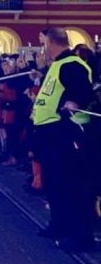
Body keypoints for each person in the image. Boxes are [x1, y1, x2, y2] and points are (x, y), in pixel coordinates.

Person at [32, 27, 96, 251]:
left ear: (50, 43)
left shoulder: (72, 64)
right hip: (49, 131)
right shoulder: (58, 65)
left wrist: (74, 102)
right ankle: (58, 225)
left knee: (71, 184)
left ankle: (79, 236)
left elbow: (83, 91)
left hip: (64, 131)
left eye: (43, 43)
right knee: (54, 182)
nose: (43, 48)